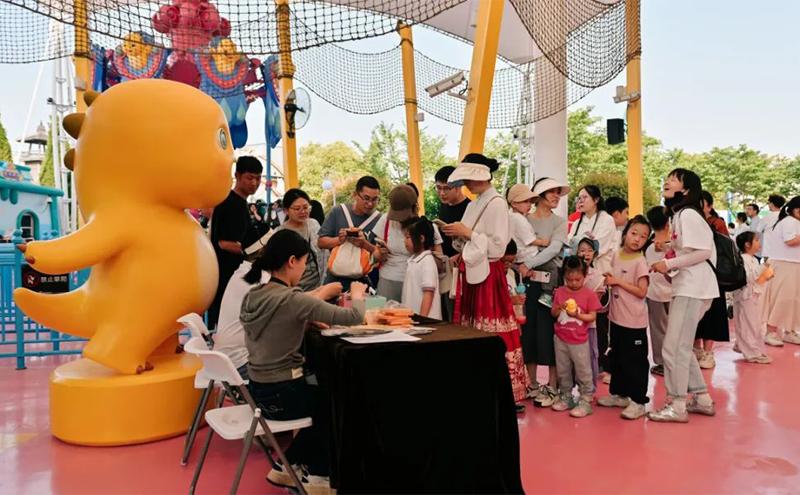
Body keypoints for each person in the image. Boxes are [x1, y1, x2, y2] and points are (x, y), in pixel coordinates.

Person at [240, 229, 366, 494]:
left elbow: (274, 326)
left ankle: (287, 466)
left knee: (323, 398)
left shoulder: (253, 295)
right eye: (304, 263)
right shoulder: (293, 299)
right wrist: (357, 293)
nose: (304, 269)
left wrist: (304, 321)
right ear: (291, 261)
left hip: (257, 392)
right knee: (334, 403)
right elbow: (354, 317)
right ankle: (318, 476)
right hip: (284, 392)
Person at [442, 153, 528, 410]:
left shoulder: (497, 203)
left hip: (488, 275)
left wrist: (467, 233)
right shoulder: (476, 203)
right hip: (474, 272)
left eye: (468, 179)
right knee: (478, 329)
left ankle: (502, 389)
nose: (466, 184)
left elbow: (498, 247)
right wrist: (459, 236)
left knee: (493, 330)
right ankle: (481, 385)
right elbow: (476, 239)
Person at [648, 168, 718, 423]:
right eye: (667, 178)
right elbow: (692, 251)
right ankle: (702, 398)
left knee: (673, 347)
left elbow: (703, 252)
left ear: (686, 189)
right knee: (682, 347)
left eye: (674, 179)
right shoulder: (681, 214)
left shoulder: (687, 214)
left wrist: (668, 263)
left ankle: (677, 404)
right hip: (690, 287)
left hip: (693, 288)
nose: (667, 181)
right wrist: (670, 253)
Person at [598, 215, 651, 420]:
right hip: (616, 319)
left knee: (635, 362)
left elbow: (642, 291)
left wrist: (618, 282)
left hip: (634, 322)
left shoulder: (640, 261)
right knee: (618, 358)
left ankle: (638, 401)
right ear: (625, 233)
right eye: (634, 233)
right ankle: (619, 395)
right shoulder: (617, 254)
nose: (637, 239)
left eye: (643, 236)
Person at [522, 177, 569, 408]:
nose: (556, 196)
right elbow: (519, 248)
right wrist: (523, 265)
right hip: (526, 284)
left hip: (550, 285)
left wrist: (527, 263)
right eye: (551, 191)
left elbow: (554, 249)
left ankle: (552, 386)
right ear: (539, 195)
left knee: (548, 333)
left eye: (558, 192)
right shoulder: (524, 219)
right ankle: (532, 383)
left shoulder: (560, 222)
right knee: (528, 332)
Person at [208, 155, 263, 329]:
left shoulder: (240, 203)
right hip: (226, 275)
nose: (254, 183)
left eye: (258, 178)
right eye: (250, 178)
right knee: (226, 322)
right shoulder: (230, 203)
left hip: (234, 275)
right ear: (237, 176)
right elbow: (224, 243)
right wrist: (254, 253)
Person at [550, 256, 602, 418]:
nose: (573, 283)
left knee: (583, 370)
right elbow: (553, 313)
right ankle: (566, 395)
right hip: (560, 338)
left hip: (579, 340)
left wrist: (577, 315)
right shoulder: (560, 292)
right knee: (563, 369)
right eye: (569, 280)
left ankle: (586, 398)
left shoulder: (589, 294)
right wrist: (559, 307)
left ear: (585, 276)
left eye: (577, 280)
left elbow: (592, 316)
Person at [371, 185, 442, 302]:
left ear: (414, 207)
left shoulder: (427, 227)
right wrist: (380, 253)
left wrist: (422, 251)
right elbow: (375, 255)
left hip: (418, 282)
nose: (399, 219)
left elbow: (440, 263)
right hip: (388, 280)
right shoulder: (386, 221)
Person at [318, 176, 381, 290]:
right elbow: (321, 242)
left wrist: (364, 244)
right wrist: (340, 240)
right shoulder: (338, 212)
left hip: (363, 283)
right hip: (334, 281)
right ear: (355, 195)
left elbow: (381, 255)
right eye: (366, 198)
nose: (370, 204)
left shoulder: (379, 219)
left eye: (374, 199)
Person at [694, 190, 730, 369]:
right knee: (695, 313)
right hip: (695, 275)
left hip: (715, 275)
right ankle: (696, 349)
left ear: (709, 207)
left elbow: (725, 249)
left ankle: (708, 352)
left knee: (712, 313)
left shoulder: (717, 223)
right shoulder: (691, 222)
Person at [762, 196, 800, 346]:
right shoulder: (789, 221)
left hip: (791, 265)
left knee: (792, 300)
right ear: (796, 210)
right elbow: (790, 241)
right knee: (781, 299)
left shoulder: (793, 221)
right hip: (784, 266)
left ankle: (789, 331)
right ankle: (770, 332)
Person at [435, 165, 471, 319]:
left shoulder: (470, 207)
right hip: (445, 267)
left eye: (447, 188)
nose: (442, 193)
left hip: (463, 269)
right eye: (438, 188)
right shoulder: (443, 206)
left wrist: (461, 256)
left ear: (458, 186)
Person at [733, 231, 774, 363]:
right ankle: (752, 353)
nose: (759, 243)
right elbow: (749, 277)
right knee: (749, 324)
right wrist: (764, 266)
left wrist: (766, 276)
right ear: (747, 244)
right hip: (746, 295)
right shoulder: (743, 259)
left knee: (751, 323)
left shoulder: (753, 259)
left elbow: (756, 279)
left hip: (752, 295)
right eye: (756, 240)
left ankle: (744, 346)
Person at [274, 189, 324, 291]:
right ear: (286, 210)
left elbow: (323, 255)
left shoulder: (313, 224)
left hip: (318, 284)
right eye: (297, 208)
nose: (303, 212)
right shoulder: (279, 233)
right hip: (294, 290)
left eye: (306, 207)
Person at [645, 206, 672, 376]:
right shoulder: (673, 245)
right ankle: (673, 361)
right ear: (668, 223)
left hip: (655, 293)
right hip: (674, 291)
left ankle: (662, 362)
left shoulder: (649, 247)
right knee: (674, 328)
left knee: (658, 329)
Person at [568, 185, 616, 274]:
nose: (581, 200)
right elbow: (568, 246)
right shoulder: (577, 223)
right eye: (579, 198)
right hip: (578, 273)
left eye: (585, 197)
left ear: (596, 200)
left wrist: (578, 245)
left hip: (600, 271)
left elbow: (598, 247)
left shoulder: (607, 220)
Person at [401, 216, 442, 319]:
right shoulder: (413, 260)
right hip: (413, 319)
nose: (404, 241)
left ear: (421, 238)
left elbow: (428, 293)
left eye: (408, 237)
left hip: (426, 321)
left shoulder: (427, 261)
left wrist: (422, 318)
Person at [576, 237, 604, 383]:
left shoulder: (598, 276)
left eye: (589, 250)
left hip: (589, 324)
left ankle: (589, 386)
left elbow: (595, 303)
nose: (585, 254)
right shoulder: (569, 273)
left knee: (589, 354)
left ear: (595, 254)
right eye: (582, 250)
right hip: (571, 324)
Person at [506, 184, 544, 265]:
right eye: (525, 201)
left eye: (530, 201)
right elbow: (531, 240)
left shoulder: (511, 216)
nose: (529, 204)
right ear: (514, 204)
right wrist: (545, 242)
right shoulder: (519, 219)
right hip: (529, 256)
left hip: (520, 256)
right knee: (553, 266)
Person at [759, 194, 786, 260]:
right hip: (783, 251)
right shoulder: (786, 217)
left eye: (769, 203)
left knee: (768, 266)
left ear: (772, 204)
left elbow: (758, 232)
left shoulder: (767, 217)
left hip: (769, 251)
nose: (768, 205)